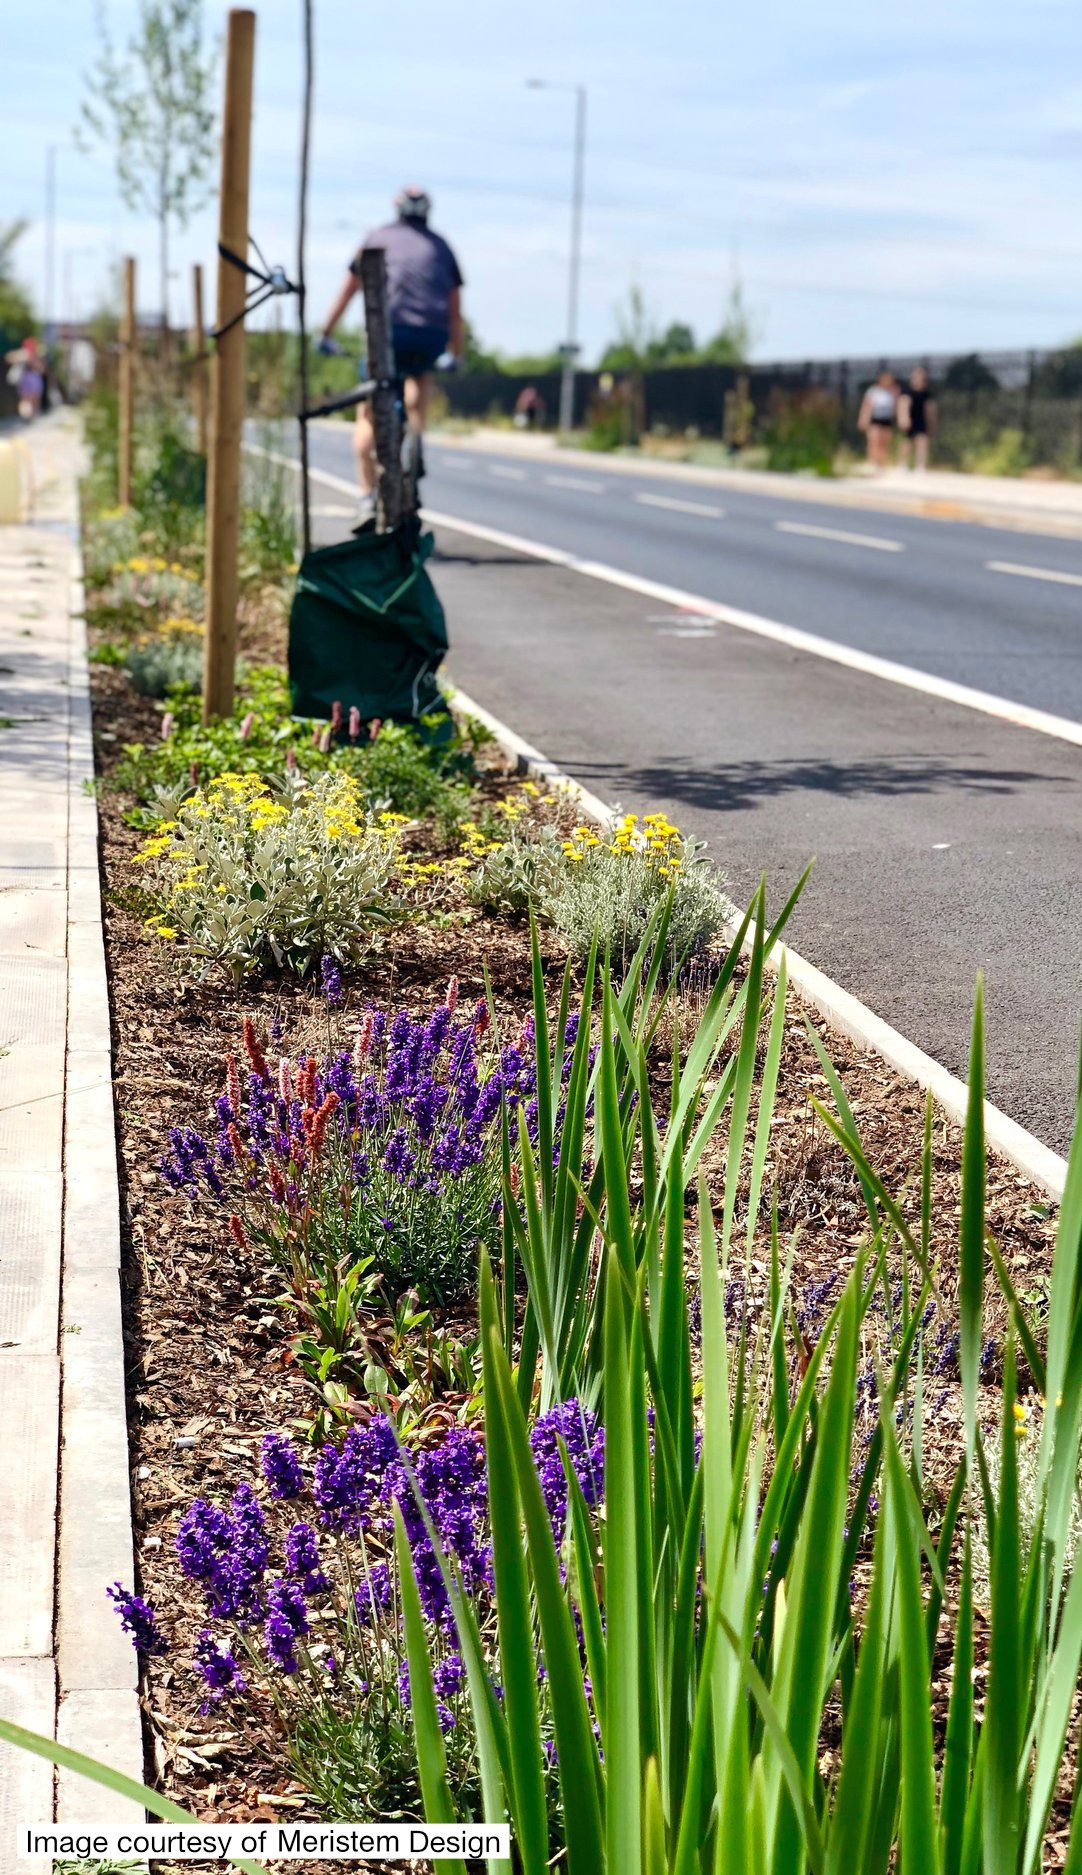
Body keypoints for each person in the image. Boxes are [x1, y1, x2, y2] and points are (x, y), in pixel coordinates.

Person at [319, 186, 464, 517]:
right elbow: (455, 308)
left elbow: (347, 291)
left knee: (369, 411)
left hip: (387, 331)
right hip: (430, 335)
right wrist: (456, 352)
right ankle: (417, 436)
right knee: (421, 377)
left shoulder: (376, 237)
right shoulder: (441, 246)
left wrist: (326, 333)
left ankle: (367, 494)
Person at [857, 367, 897, 469]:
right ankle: (871, 461)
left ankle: (882, 462)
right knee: (874, 440)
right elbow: (866, 406)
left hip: (886, 419)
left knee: (884, 441)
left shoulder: (892, 392)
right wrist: (863, 419)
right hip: (875, 418)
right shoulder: (873, 391)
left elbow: (895, 407)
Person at [898, 365, 936, 471]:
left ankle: (920, 465)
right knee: (907, 441)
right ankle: (903, 463)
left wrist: (932, 423)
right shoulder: (907, 391)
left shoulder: (926, 393)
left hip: (921, 419)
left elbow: (930, 409)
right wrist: (903, 418)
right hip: (910, 418)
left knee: (923, 441)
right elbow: (902, 405)